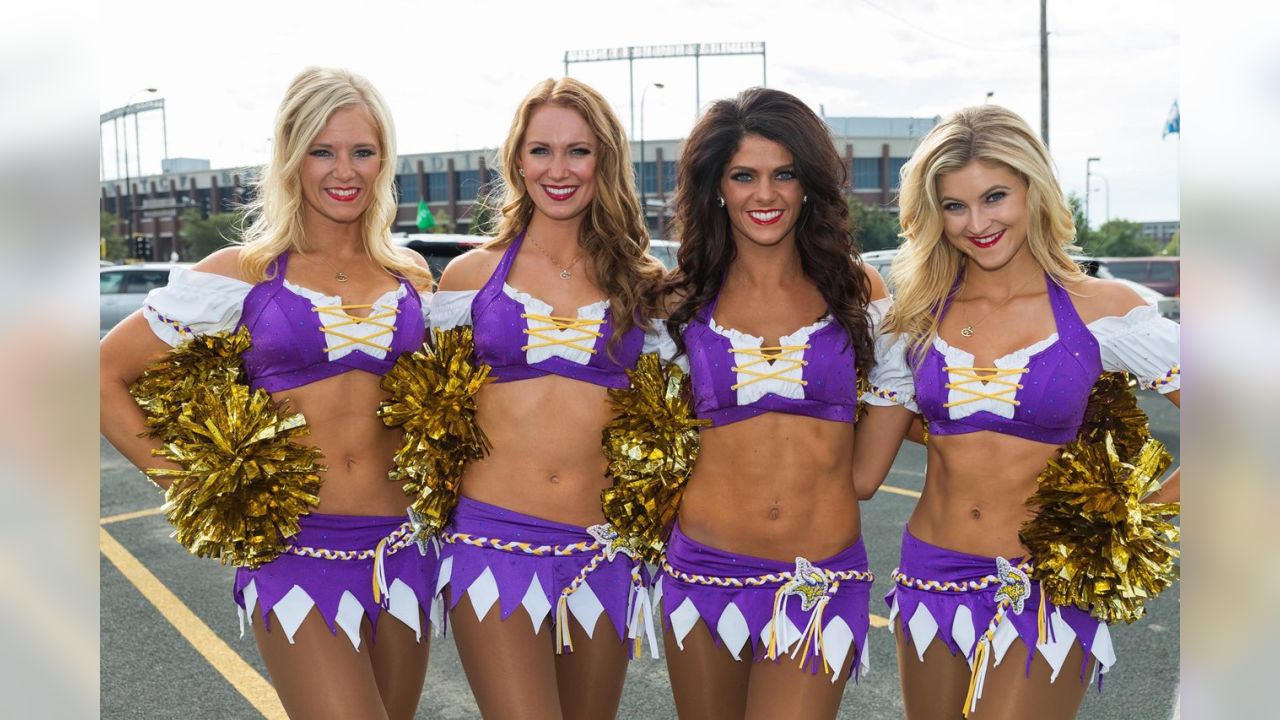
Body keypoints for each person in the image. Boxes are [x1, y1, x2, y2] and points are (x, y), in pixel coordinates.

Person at [100, 67, 438, 719]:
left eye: (362, 151)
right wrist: (201, 489)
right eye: (323, 150)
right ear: (291, 156)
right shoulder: (242, 274)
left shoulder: (411, 275)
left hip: (405, 550)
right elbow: (102, 376)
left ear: (383, 161)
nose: (345, 170)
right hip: (295, 555)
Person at [862, 104, 1181, 719]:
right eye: (954, 205)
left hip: (1046, 579)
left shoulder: (1101, 309)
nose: (976, 223)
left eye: (995, 197)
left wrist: (1129, 516)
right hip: (930, 569)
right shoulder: (917, 315)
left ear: (1034, 190)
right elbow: (890, 435)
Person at [428, 77, 667, 720]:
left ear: (606, 161)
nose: (557, 170)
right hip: (493, 545)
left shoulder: (644, 283)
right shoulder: (469, 277)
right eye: (541, 151)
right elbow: (418, 405)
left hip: (605, 547)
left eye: (578, 152)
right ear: (517, 160)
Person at [655, 86, 898, 719]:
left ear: (808, 184)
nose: (765, 195)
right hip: (703, 572)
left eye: (783, 174)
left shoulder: (856, 288)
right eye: (744, 176)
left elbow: (870, 468)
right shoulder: (678, 297)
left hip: (818, 577)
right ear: (716, 186)